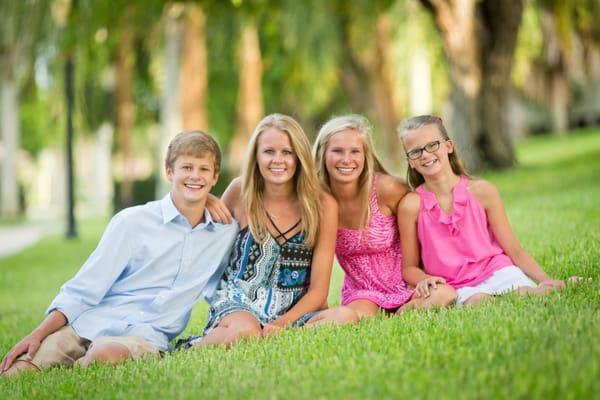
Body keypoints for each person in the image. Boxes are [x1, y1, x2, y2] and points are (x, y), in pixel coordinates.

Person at [0, 131, 238, 376]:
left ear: (215, 177)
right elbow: (84, 288)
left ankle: (85, 364)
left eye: (203, 170)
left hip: (145, 336)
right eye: (186, 167)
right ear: (169, 172)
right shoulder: (132, 222)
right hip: (88, 324)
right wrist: (38, 334)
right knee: (19, 370)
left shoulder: (224, 232)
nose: (195, 176)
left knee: (104, 357)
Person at [184, 113, 344, 349]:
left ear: (299, 156)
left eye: (287, 152)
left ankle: (271, 333)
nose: (277, 160)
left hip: (294, 306)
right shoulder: (240, 191)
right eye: (269, 151)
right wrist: (204, 200)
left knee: (344, 317)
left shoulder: (323, 204)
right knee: (246, 332)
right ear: (256, 156)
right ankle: (193, 347)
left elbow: (319, 291)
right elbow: (198, 236)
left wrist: (283, 323)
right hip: (239, 301)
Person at [397, 115, 573, 306]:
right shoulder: (411, 205)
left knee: (525, 292)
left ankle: (559, 285)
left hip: (497, 271)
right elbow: (409, 268)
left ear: (448, 146)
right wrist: (423, 279)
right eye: (415, 152)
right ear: (410, 162)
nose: (425, 154)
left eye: (432, 145)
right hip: (454, 285)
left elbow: (514, 250)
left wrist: (544, 279)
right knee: (478, 302)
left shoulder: (483, 191)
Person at [310, 115, 456, 322]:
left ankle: (401, 313)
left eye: (355, 151)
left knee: (445, 294)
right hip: (363, 292)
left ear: (365, 155)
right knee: (348, 317)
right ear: (323, 154)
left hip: (408, 284)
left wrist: (424, 277)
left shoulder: (387, 189)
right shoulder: (320, 202)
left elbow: (425, 228)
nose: (346, 159)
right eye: (337, 151)